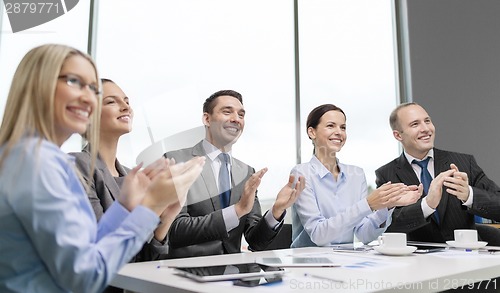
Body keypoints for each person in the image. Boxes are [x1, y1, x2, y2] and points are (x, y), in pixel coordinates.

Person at [0, 44, 204, 293]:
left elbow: (85, 248)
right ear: (36, 85)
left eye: (93, 89)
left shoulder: (40, 158)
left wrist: (125, 207)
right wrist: (150, 207)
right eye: (75, 82)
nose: (88, 98)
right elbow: (84, 276)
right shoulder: (37, 164)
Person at [163, 89, 305, 258]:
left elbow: (255, 241)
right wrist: (237, 210)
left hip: (234, 273)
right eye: (227, 112)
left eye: (241, 115)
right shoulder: (176, 160)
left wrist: (276, 210)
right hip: (187, 271)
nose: (236, 119)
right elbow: (174, 230)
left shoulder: (246, 173)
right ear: (207, 119)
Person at [291, 104, 420, 247]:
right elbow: (318, 235)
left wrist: (387, 206)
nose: (339, 132)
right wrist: (367, 204)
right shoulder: (301, 174)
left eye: (343, 127)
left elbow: (364, 234)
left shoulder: (356, 175)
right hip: (308, 262)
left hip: (345, 261)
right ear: (312, 132)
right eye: (330, 126)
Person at [71, 79, 170, 264]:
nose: (126, 107)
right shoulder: (78, 164)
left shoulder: (132, 177)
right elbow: (97, 246)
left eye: (126, 101)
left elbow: (144, 257)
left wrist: (167, 214)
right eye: (111, 101)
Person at [375, 102, 500, 243]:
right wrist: (427, 205)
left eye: (427, 121)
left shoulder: (464, 162)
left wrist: (469, 195)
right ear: (398, 135)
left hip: (466, 258)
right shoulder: (386, 174)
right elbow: (389, 228)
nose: (426, 129)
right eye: (415, 124)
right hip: (419, 261)